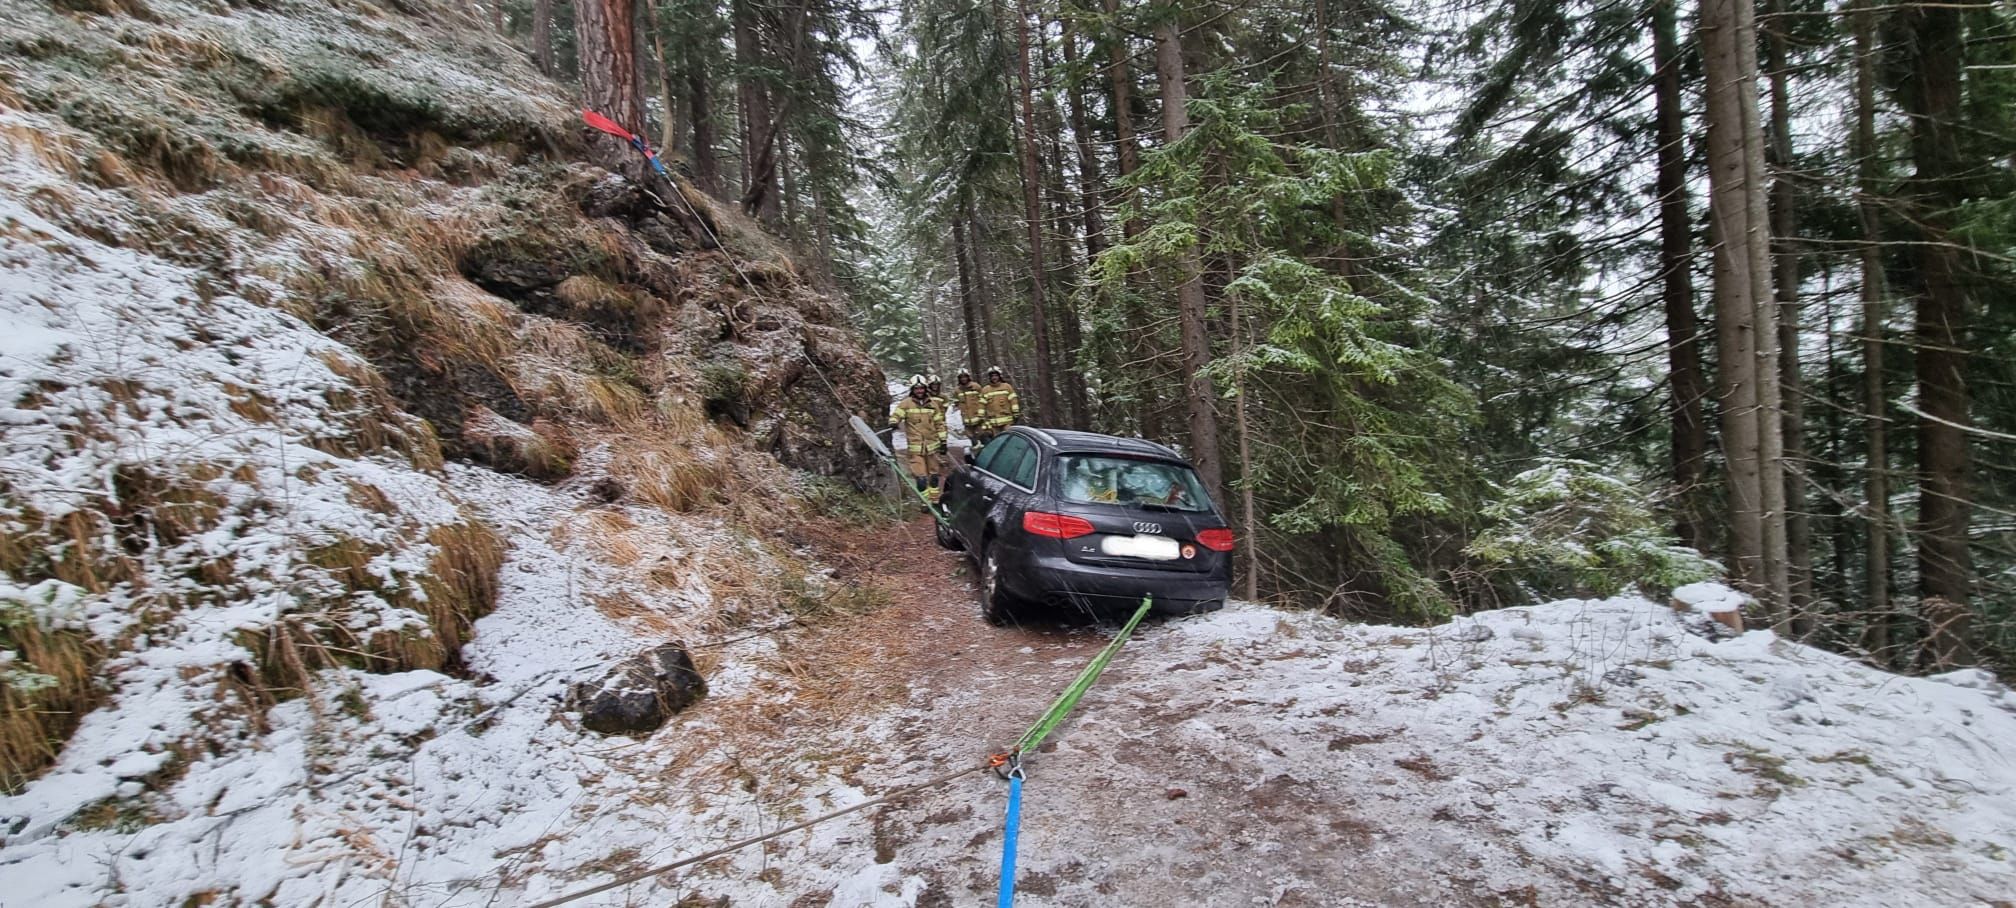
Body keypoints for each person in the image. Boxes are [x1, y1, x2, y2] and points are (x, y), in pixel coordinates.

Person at [889, 376, 947, 504]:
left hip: (932, 447)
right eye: (917, 389)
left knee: (934, 476)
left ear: (925, 388)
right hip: (916, 448)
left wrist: (943, 441)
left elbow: (940, 424)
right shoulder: (906, 403)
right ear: (912, 390)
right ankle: (925, 502)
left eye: (922, 388)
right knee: (921, 478)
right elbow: (896, 415)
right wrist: (893, 422)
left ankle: (935, 499)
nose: (919, 391)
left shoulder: (933, 404)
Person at [979, 366, 1020, 441]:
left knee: (1008, 440)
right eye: (992, 376)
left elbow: (1013, 401)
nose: (994, 378)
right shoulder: (985, 390)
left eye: (996, 375)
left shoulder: (1007, 387)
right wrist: (981, 417)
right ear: (989, 377)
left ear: (999, 376)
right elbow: (981, 405)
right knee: (997, 441)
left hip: (1007, 421)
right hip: (993, 423)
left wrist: (1016, 413)